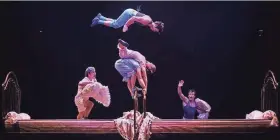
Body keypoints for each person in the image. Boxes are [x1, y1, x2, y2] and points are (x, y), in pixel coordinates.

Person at [90, 8, 164, 33]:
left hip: (129, 13)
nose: (154, 31)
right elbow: (134, 18)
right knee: (116, 25)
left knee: (115, 21)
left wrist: (127, 24)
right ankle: (98, 21)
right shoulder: (148, 21)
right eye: (155, 30)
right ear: (156, 26)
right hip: (129, 14)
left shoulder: (148, 23)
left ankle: (101, 17)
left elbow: (134, 20)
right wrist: (126, 25)